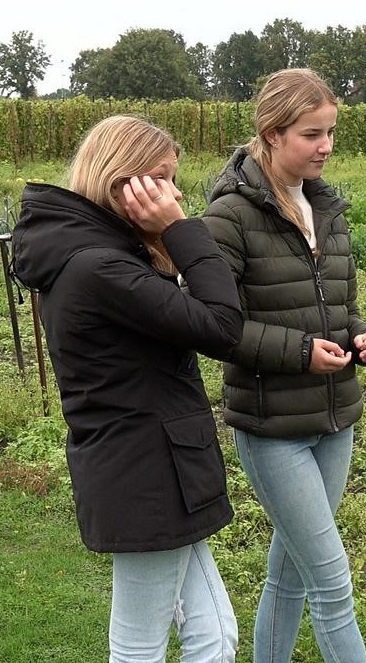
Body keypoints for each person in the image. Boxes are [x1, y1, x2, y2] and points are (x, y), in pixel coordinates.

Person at [11, 115, 242, 662]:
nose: (176, 192)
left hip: (159, 470)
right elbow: (223, 327)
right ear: (124, 182)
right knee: (139, 646)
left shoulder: (100, 256)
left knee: (215, 632)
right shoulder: (101, 268)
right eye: (162, 178)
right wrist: (180, 229)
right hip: (147, 476)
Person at [202, 68, 366, 663]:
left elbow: (342, 307)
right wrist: (300, 352)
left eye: (331, 132)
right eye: (312, 134)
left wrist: (364, 336)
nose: (326, 147)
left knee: (287, 574)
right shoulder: (229, 217)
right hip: (273, 429)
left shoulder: (327, 208)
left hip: (337, 418)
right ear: (272, 132)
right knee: (332, 583)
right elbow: (214, 325)